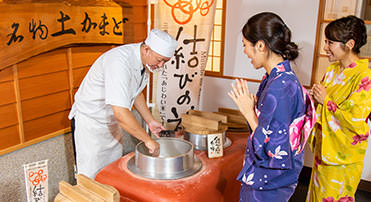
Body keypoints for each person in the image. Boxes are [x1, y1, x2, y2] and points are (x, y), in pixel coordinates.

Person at [228, 12, 316, 202]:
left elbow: (273, 150)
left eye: (245, 45)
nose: (244, 52)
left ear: (260, 45)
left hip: (269, 184)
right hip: (272, 180)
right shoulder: (278, 78)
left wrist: (249, 113)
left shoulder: (280, 87)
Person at [68, 29, 178, 179]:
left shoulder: (143, 62)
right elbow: (121, 113)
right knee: (91, 178)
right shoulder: (119, 62)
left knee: (111, 173)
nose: (160, 65)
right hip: (91, 125)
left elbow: (136, 92)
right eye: (159, 60)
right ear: (146, 49)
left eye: (165, 61)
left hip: (111, 123)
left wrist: (150, 121)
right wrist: (148, 140)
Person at [307, 15, 371, 201]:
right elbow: (322, 107)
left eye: (330, 42)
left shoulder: (364, 76)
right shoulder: (332, 71)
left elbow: (356, 121)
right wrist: (315, 99)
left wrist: (326, 101)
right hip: (324, 150)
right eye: (326, 41)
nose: (325, 47)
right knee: (317, 195)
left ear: (350, 44)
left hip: (342, 157)